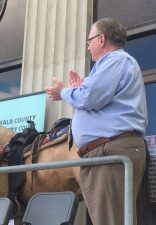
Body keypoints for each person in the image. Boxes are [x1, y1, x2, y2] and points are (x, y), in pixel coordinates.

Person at [45, 18, 147, 225]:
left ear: (101, 39)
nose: (88, 46)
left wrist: (65, 92)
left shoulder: (114, 61)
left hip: (110, 151)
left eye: (89, 40)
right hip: (106, 151)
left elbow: (90, 97)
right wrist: (79, 90)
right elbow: (92, 98)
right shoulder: (111, 64)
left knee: (111, 220)